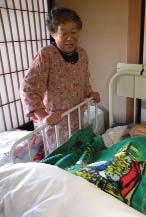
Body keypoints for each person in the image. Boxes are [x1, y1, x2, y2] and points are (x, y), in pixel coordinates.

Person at [20, 7, 100, 153]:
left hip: (76, 115)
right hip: (55, 120)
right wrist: (43, 116)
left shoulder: (82, 54)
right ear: (53, 33)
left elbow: (84, 79)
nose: (70, 38)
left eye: (74, 32)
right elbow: (28, 87)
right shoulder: (46, 55)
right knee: (59, 156)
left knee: (77, 151)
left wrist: (90, 94)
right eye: (64, 33)